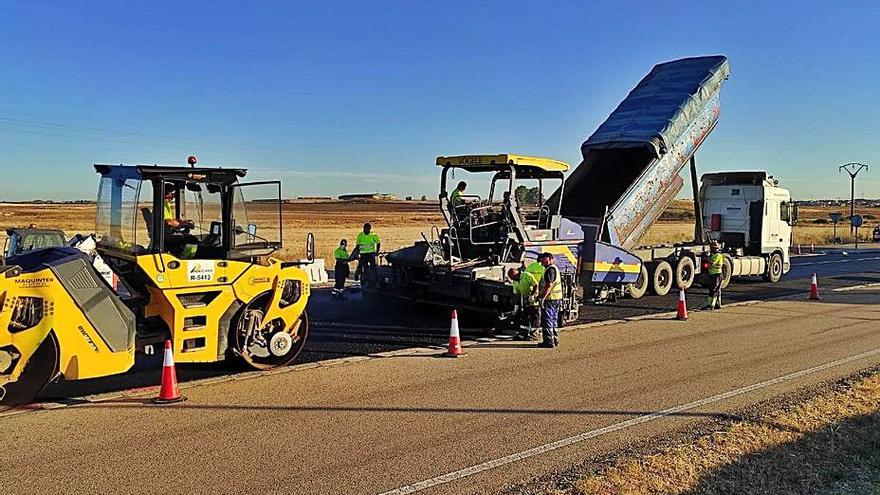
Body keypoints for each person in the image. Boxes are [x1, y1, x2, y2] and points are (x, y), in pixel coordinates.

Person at [537, 252, 563, 348]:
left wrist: (542, 297)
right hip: (555, 298)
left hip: (550, 299)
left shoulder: (550, 269)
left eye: (544, 259)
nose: (542, 261)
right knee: (553, 320)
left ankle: (548, 341)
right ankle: (554, 340)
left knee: (547, 320)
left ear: (550, 258)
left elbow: (549, 285)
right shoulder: (553, 268)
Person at [508, 267, 540, 340]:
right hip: (524, 300)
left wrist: (532, 295)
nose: (512, 279)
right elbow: (516, 293)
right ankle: (523, 334)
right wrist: (516, 306)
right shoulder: (515, 281)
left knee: (534, 317)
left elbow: (536, 284)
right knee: (524, 317)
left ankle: (534, 334)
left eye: (513, 277)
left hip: (533, 300)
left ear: (516, 274)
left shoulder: (527, 275)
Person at [703, 242, 724, 310]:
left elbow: (710, 264)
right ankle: (711, 304)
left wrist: (707, 258)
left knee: (714, 290)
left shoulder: (717, 255)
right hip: (713, 274)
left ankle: (712, 305)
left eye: (712, 248)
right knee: (711, 289)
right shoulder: (715, 255)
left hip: (717, 275)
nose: (711, 249)